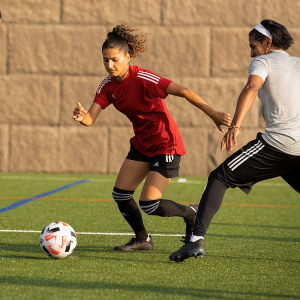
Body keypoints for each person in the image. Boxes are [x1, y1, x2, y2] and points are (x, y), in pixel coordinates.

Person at [73, 24, 231, 251]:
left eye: (115, 59)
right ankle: (142, 240)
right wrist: (82, 117)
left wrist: (213, 114)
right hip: (142, 144)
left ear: (128, 57)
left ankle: (192, 213)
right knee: (120, 194)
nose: (109, 65)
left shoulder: (145, 78)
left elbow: (184, 91)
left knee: (149, 204)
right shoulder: (107, 86)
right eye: (105, 60)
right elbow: (91, 118)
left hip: (166, 144)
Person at [169, 19, 300, 262]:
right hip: (298, 148)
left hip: (279, 144)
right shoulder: (297, 64)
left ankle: (195, 241)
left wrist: (236, 126)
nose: (251, 53)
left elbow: (251, 87)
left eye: (253, 46)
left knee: (219, 177)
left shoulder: (263, 61)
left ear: (268, 42)